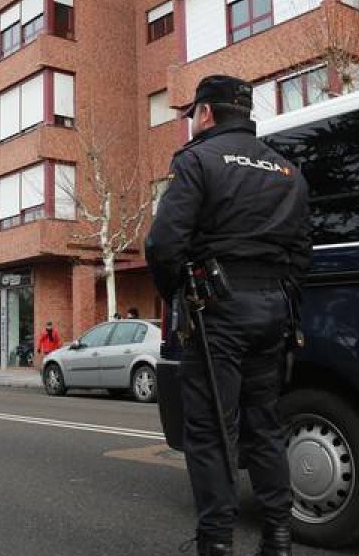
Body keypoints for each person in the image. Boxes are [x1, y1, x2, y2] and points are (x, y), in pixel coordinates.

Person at [145, 75, 310, 556]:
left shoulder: (197, 160)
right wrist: (283, 295)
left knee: (214, 430)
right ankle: (278, 538)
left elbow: (163, 243)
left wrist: (179, 294)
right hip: (274, 308)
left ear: (206, 113)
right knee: (265, 425)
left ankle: (215, 544)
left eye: (193, 112)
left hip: (216, 308)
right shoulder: (286, 169)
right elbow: (302, 251)